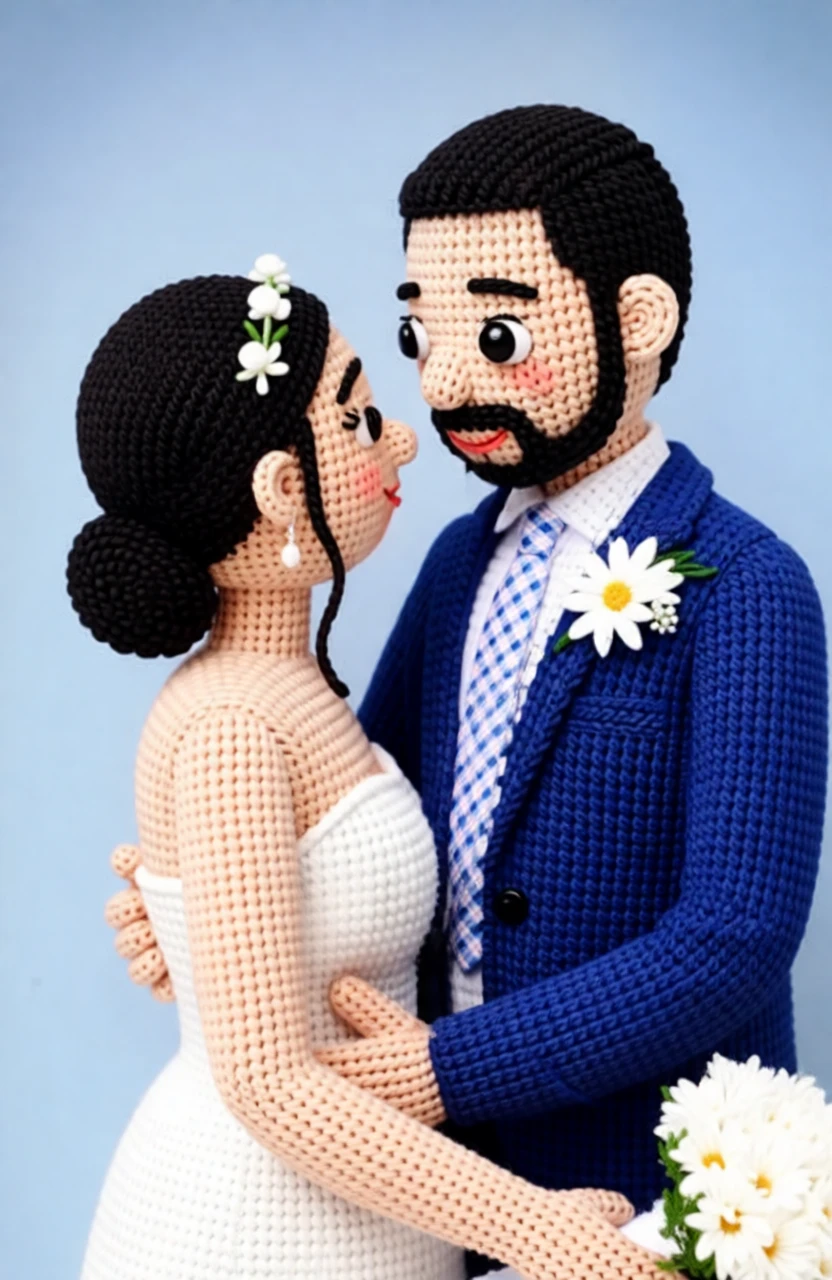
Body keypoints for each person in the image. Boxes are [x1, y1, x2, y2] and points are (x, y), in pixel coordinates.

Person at [70, 262, 666, 1280]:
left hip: (364, 1217)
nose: (400, 440)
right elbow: (267, 1083)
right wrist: (532, 1226)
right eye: (355, 420)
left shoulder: (296, 693)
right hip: (250, 1228)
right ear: (281, 488)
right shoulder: (233, 726)